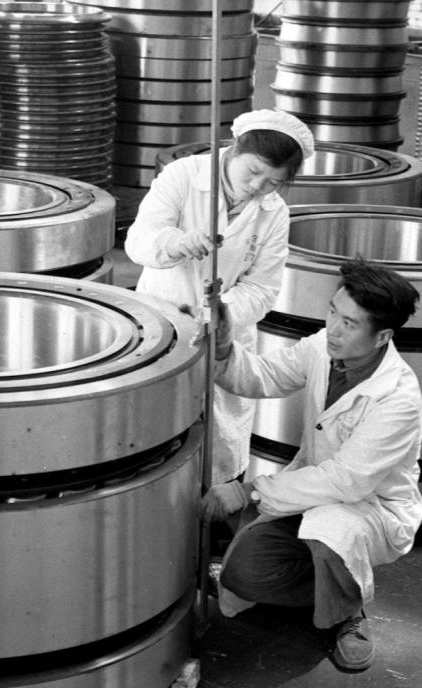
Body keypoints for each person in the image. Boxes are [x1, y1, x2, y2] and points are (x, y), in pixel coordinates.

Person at [200, 259, 422, 672]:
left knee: (331, 532)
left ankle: (347, 612)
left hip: (369, 508)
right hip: (312, 494)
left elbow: (346, 482)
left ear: (383, 337)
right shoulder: (324, 347)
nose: (333, 328)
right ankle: (326, 589)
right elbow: (264, 376)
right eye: (333, 312)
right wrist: (226, 347)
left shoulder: (397, 398)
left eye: (349, 324)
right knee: (242, 575)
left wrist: (248, 490)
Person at [124, 109, 314, 487]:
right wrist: (176, 244)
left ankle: (219, 506)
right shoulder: (184, 176)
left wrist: (221, 314)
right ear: (235, 149)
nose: (257, 186)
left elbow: (262, 288)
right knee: (157, 440)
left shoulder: (274, 214)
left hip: (224, 340)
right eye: (253, 171)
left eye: (273, 182)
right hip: (162, 324)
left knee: (220, 446)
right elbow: (139, 241)